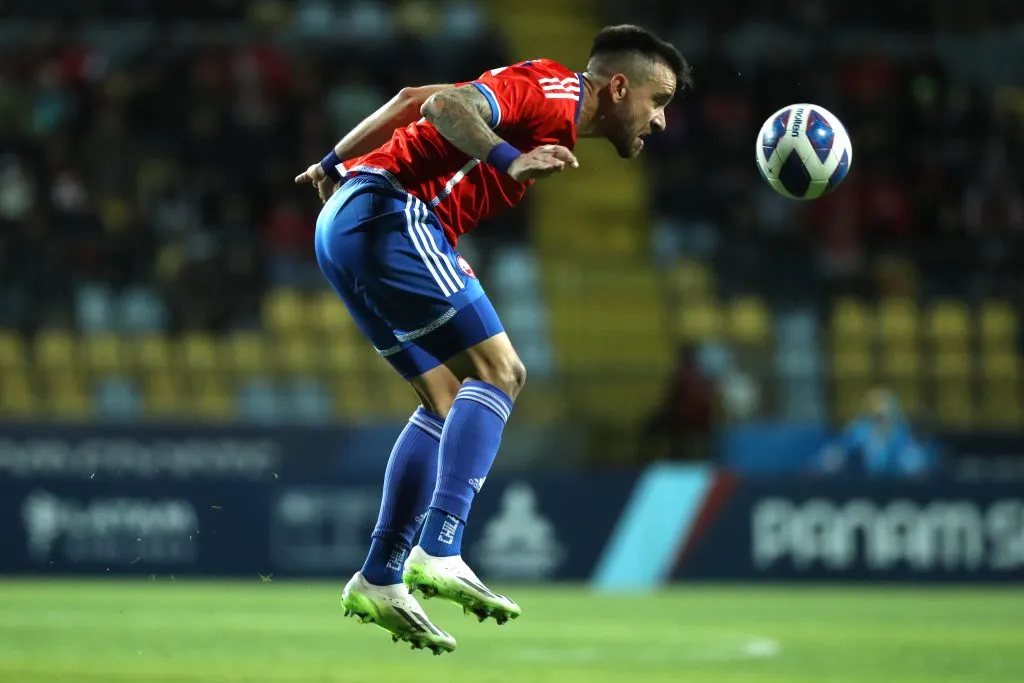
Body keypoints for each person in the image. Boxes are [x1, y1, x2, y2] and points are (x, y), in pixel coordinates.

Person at [294, 24, 691, 655]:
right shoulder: (553, 90)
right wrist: (510, 158)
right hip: (391, 212)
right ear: (620, 87)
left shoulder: (547, 101)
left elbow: (404, 100)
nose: (663, 120)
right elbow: (441, 107)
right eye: (660, 101)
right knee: (502, 372)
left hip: (343, 223)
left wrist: (333, 161)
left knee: (444, 401)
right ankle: (441, 547)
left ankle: (379, 575)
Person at [815, 387, 937, 478]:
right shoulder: (860, 430)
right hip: (862, 481)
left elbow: (914, 461)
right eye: (877, 415)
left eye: (885, 413)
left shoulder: (902, 432)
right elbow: (840, 450)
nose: (881, 418)